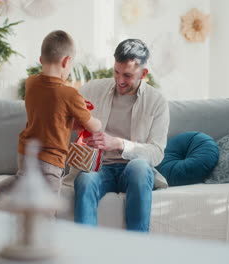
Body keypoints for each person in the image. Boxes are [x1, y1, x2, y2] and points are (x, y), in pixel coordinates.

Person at [0, 30, 102, 207]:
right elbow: (93, 126)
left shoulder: (31, 83)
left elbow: (49, 117)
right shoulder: (70, 94)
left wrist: (68, 121)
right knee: (46, 208)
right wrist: (93, 119)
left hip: (25, 152)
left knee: (23, 179)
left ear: (41, 60)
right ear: (66, 61)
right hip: (51, 160)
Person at [70, 39, 170, 232]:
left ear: (144, 73)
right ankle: (82, 251)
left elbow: (157, 153)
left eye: (128, 75)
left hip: (132, 170)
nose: (120, 80)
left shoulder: (157, 102)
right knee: (85, 179)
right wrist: (73, 124)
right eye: (116, 72)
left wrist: (117, 143)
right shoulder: (92, 89)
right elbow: (66, 111)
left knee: (140, 167)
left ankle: (136, 250)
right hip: (99, 167)